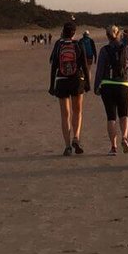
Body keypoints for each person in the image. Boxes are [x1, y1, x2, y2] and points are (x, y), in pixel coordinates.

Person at [47, 18, 90, 155]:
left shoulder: (58, 45)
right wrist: (88, 83)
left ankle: (67, 146)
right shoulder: (78, 44)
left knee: (65, 114)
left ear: (63, 32)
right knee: (77, 111)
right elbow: (84, 65)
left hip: (61, 81)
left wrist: (51, 85)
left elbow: (53, 66)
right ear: (74, 33)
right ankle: (76, 137)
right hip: (77, 80)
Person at [93, 24, 128, 155]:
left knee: (111, 117)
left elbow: (100, 70)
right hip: (123, 85)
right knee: (124, 114)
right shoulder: (127, 49)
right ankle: (125, 138)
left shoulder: (104, 50)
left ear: (107, 36)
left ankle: (113, 147)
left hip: (107, 85)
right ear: (119, 34)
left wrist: (96, 86)